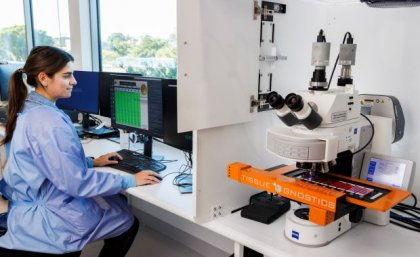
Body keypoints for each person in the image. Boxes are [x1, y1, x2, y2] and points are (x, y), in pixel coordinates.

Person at [0, 46, 162, 257]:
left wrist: (91, 162)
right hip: (49, 221)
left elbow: (43, 160)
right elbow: (76, 183)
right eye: (67, 76)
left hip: (27, 206)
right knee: (126, 219)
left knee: (115, 202)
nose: (74, 82)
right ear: (44, 78)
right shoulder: (50, 122)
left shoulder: (28, 108)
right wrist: (130, 180)